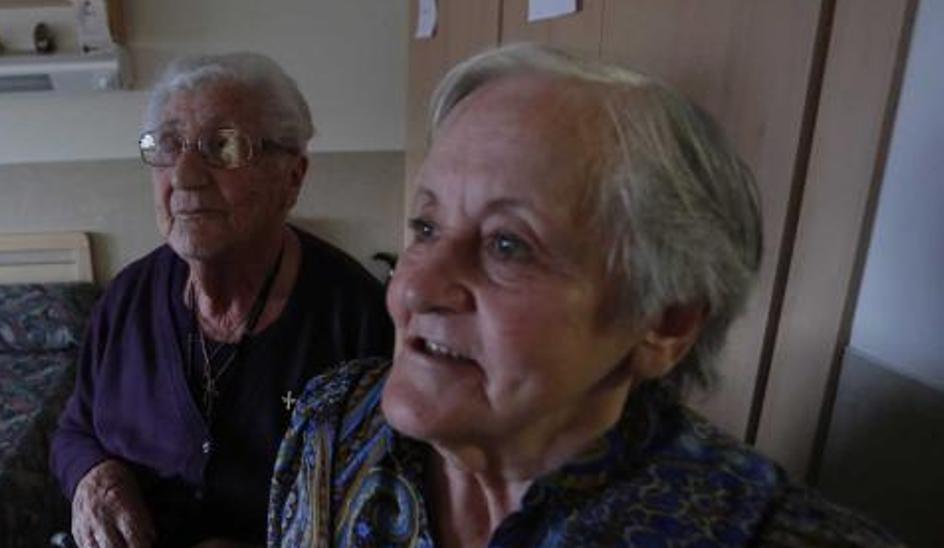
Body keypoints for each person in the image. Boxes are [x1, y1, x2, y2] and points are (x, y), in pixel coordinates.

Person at [267, 44, 902, 547]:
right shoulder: (334, 419)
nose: (413, 287)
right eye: (426, 228)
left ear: (666, 322)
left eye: (507, 245)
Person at [50, 52, 393, 548]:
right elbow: (74, 430)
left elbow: (385, 502)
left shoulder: (356, 318)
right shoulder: (126, 300)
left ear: (292, 177)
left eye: (223, 147)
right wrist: (93, 475)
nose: (185, 175)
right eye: (168, 146)